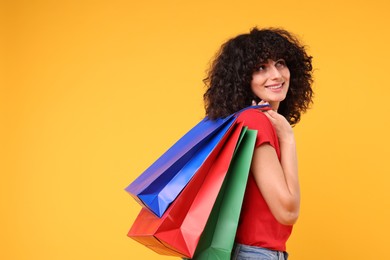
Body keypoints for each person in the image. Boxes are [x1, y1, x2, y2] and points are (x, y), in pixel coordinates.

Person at [203, 27, 314, 259]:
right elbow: (287, 211)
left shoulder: (251, 122)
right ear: (244, 79)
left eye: (280, 63)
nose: (276, 75)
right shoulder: (254, 122)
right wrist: (288, 139)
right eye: (261, 68)